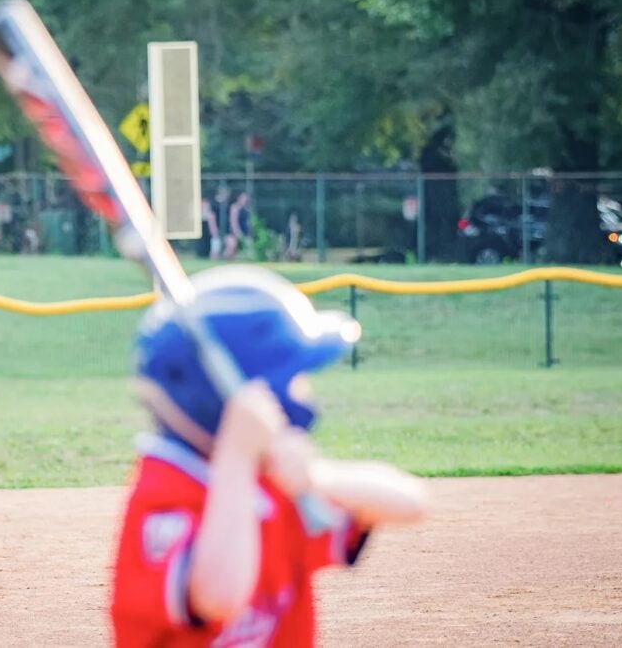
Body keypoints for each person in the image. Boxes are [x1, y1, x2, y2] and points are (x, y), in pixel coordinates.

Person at [110, 265, 428, 646]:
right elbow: (219, 597)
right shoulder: (165, 491)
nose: (302, 393)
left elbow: (410, 502)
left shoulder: (274, 481)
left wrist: (315, 478)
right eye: (292, 380)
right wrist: (237, 458)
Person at [223, 191, 251, 259]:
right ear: (239, 198)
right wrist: (237, 232)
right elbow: (233, 221)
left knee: (245, 249)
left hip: (245, 231)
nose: (244, 200)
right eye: (243, 198)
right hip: (235, 232)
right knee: (231, 247)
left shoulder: (246, 209)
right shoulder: (234, 207)